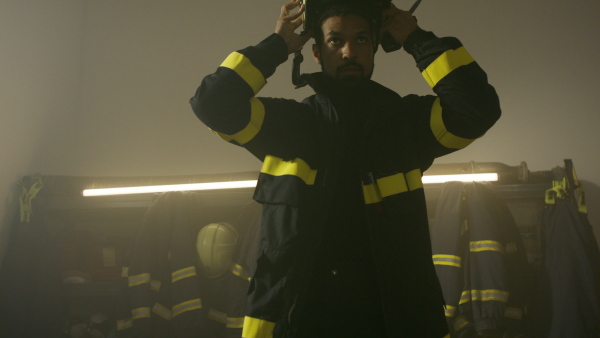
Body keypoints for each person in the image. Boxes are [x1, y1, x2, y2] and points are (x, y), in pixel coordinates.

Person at [189, 0, 501, 337]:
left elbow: (477, 108)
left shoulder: (405, 125)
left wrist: (415, 37)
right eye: (336, 40)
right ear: (317, 52)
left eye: (362, 39)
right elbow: (212, 102)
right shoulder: (289, 126)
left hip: (392, 323)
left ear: (375, 49)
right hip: (297, 324)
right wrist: (277, 45)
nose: (349, 51)